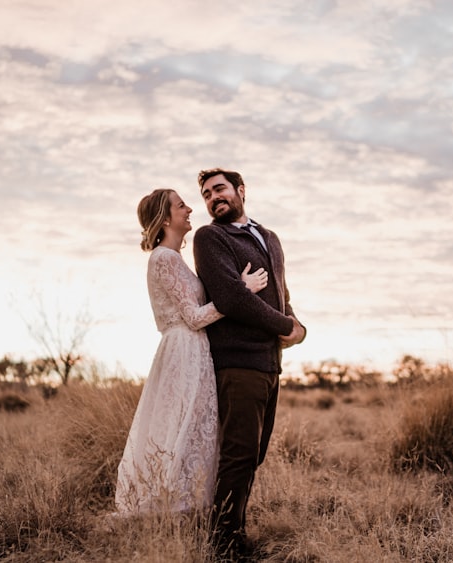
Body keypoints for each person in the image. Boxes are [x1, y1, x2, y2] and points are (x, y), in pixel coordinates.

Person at [114, 188, 269, 516]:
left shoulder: (175, 258)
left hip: (195, 350)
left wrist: (233, 286)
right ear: (166, 218)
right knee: (182, 427)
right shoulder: (163, 258)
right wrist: (241, 292)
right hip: (183, 351)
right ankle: (173, 509)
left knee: (191, 430)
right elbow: (195, 317)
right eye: (181, 205)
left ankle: (189, 506)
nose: (189, 210)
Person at [193, 168, 306, 559]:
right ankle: (224, 544)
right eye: (207, 194)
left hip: (270, 363)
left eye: (219, 189)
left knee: (254, 454)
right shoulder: (211, 237)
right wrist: (285, 325)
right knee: (238, 455)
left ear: (240, 190)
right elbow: (231, 298)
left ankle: (232, 529)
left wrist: (295, 323)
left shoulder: (270, 238)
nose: (213, 197)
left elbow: (280, 291)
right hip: (236, 362)